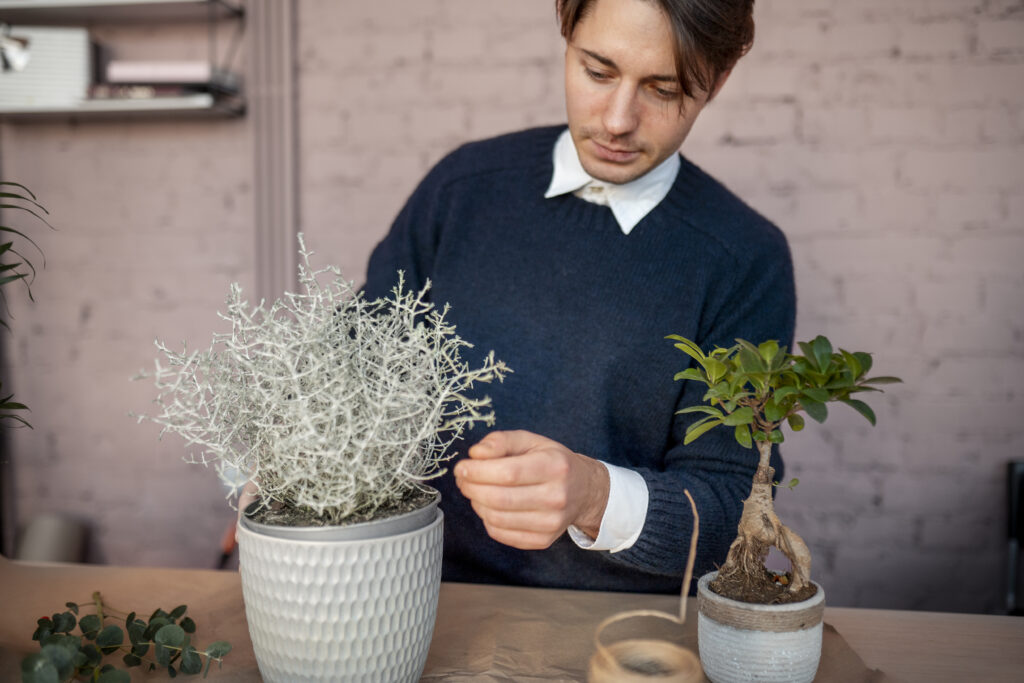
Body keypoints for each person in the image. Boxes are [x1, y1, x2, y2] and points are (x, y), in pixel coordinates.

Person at [361, 0, 795, 594]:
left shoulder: (744, 259)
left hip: (612, 632)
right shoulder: (462, 189)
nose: (618, 120)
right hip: (414, 597)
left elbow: (734, 510)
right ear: (566, 37)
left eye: (663, 89)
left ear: (716, 81)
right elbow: (352, 362)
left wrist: (595, 495)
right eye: (597, 71)